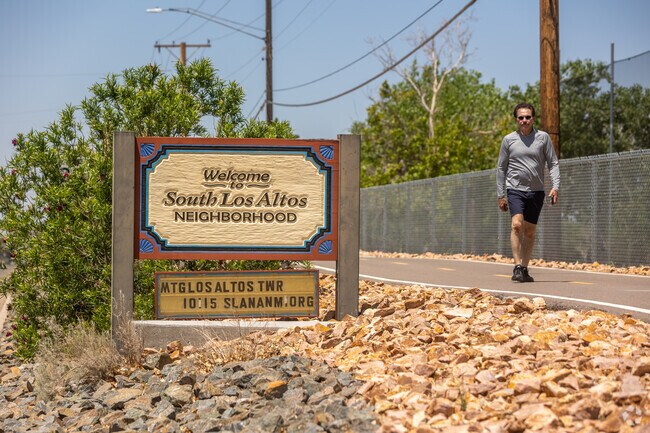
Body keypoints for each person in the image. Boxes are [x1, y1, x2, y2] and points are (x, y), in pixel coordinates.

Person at [496, 102, 560, 282]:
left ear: (533, 118)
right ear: (516, 119)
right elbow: (501, 168)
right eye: (521, 117)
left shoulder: (543, 138)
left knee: (530, 231)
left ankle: (524, 268)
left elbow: (553, 163)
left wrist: (555, 186)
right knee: (517, 224)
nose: (524, 120)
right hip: (515, 188)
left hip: (537, 191)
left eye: (527, 117)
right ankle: (516, 266)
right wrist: (501, 194)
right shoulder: (509, 140)